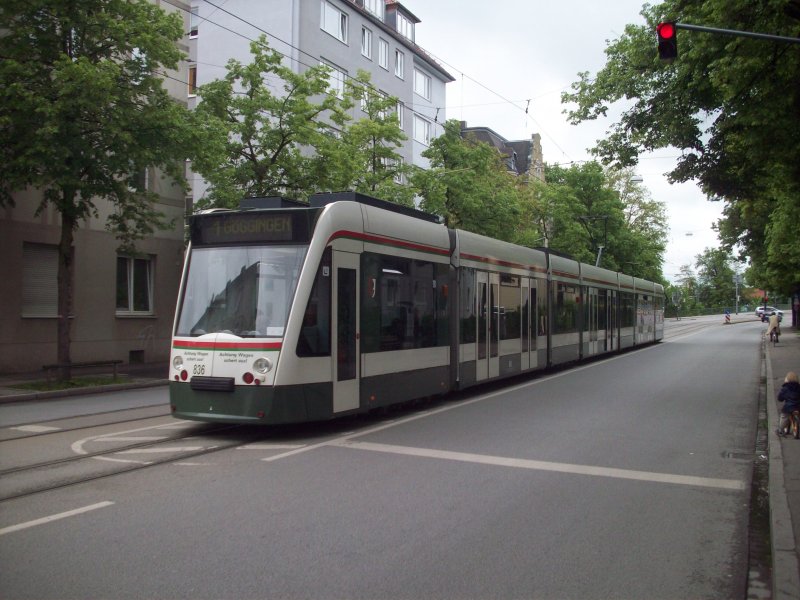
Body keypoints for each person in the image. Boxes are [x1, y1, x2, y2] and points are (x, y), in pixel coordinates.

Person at [777, 371, 800, 436]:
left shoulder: (785, 388)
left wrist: (781, 398)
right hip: (798, 406)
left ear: (787, 380)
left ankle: (780, 430)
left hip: (789, 407)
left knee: (783, 417)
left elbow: (780, 398)